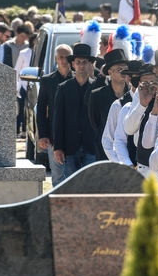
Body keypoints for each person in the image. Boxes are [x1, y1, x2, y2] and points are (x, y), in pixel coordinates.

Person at [52, 43, 97, 176]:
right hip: (70, 145)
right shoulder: (63, 88)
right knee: (71, 187)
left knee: (91, 185)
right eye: (78, 62)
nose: (81, 65)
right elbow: (58, 119)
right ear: (73, 64)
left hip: (91, 145)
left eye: (85, 62)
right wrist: (58, 147)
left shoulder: (97, 88)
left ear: (90, 65)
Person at [37, 44, 73, 186]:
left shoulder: (78, 79)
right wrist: (43, 134)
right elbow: (41, 109)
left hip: (74, 135)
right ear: (56, 59)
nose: (64, 60)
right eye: (61, 57)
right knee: (57, 176)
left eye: (67, 57)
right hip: (53, 135)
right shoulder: (48, 80)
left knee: (72, 176)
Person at [87, 48, 130, 160]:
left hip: (128, 151)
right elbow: (95, 123)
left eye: (126, 69)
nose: (124, 73)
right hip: (104, 151)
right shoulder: (97, 95)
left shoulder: (133, 95)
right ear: (110, 72)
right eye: (120, 69)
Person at [14, 33, 37, 138]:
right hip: (24, 85)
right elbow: (17, 69)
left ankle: (28, 130)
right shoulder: (24, 53)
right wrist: (16, 86)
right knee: (23, 108)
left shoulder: (41, 53)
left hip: (35, 85)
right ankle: (21, 130)